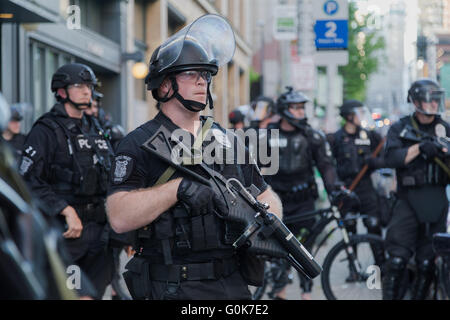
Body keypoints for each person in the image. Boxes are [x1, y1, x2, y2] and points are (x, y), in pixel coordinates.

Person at [106, 14, 283, 300]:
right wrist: (176, 189)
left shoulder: (229, 140)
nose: (202, 82)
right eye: (191, 74)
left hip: (233, 284)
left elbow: (265, 193)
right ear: (164, 86)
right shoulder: (138, 143)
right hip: (173, 286)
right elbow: (118, 216)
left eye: (206, 75)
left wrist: (266, 222)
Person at [18, 63, 115, 300]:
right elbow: (28, 180)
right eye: (79, 86)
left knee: (94, 294)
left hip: (101, 234)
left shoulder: (96, 127)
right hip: (68, 235)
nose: (86, 91)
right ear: (61, 92)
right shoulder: (46, 130)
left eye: (89, 86)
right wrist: (64, 209)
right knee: (76, 295)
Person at [263, 86, 346, 300]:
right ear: (285, 109)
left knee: (305, 248)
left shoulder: (313, 136)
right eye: (296, 108)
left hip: (304, 201)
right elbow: (253, 169)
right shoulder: (265, 135)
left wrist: (335, 190)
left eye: (302, 108)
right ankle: (280, 292)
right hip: (276, 201)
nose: (301, 112)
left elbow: (326, 166)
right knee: (277, 248)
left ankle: (306, 293)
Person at [383, 78, 450, 300]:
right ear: (416, 101)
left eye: (436, 100)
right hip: (408, 199)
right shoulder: (400, 128)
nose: (433, 104)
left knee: (427, 262)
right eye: (429, 99)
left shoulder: (445, 129)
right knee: (397, 260)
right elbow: (392, 158)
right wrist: (420, 148)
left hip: (438, 199)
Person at [328, 100, 386, 247]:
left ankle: (380, 267)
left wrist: (374, 162)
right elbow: (328, 165)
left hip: (367, 189)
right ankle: (354, 268)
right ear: (349, 116)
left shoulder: (372, 136)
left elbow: (386, 159)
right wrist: (336, 185)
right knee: (349, 229)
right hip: (347, 190)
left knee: (374, 226)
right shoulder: (336, 138)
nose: (362, 116)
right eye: (359, 113)